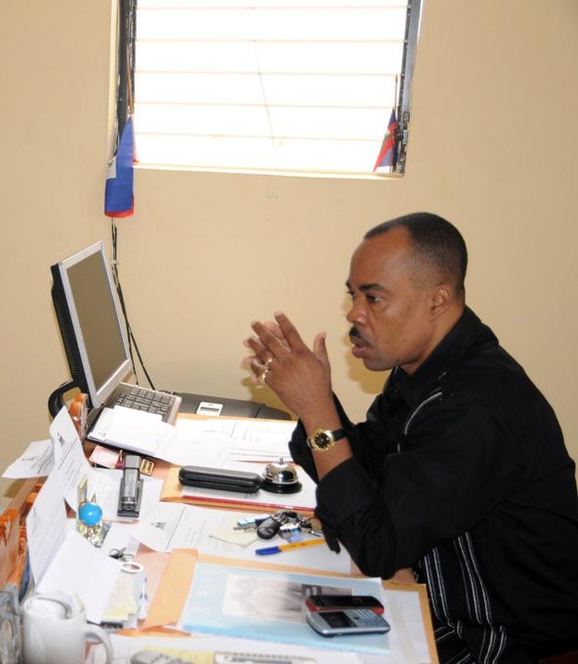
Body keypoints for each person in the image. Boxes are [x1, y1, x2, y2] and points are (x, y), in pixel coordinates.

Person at [244, 212, 578, 663]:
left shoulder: (472, 407)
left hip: (498, 644)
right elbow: (366, 471)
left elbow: (377, 547)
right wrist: (313, 402)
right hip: (436, 606)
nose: (354, 313)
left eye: (373, 297)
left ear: (437, 300)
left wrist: (318, 412)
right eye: (353, 295)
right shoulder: (427, 370)